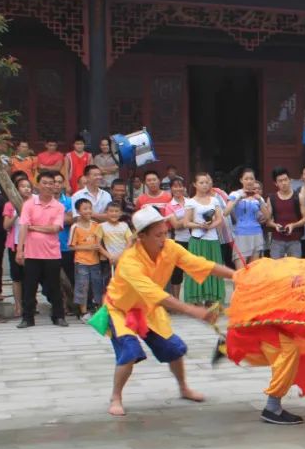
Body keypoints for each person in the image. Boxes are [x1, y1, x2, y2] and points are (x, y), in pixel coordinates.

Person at [104, 207, 235, 417]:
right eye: (158, 235)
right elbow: (157, 294)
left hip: (148, 310)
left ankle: (183, 387)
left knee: (174, 349)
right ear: (141, 237)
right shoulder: (129, 262)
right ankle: (116, 396)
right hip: (121, 310)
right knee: (129, 352)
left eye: (165, 233)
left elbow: (200, 264)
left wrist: (236, 275)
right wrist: (192, 310)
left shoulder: (170, 247)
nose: (163, 239)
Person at [16, 170, 67, 328]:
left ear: (55, 186)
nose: (48, 186)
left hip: (52, 253)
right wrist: (20, 250)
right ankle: (27, 318)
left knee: (54, 287)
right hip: (31, 252)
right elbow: (24, 226)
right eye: (44, 183)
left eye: (51, 183)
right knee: (29, 287)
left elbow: (55, 228)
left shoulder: (58, 206)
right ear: (38, 185)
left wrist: (34, 227)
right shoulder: (29, 204)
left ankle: (58, 316)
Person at [184, 173, 226, 306]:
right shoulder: (190, 202)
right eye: (201, 182)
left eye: (207, 182)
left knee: (213, 268)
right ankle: (196, 297)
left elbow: (220, 218)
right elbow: (186, 222)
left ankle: (211, 297)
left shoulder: (214, 200)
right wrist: (199, 225)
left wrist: (210, 226)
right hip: (197, 239)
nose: (204, 185)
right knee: (197, 268)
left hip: (212, 239)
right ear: (195, 184)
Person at [68, 199, 108, 319]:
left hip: (95, 261)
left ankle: (98, 310)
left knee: (97, 285)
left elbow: (101, 241)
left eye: (90, 208)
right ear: (78, 211)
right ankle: (83, 312)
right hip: (81, 262)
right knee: (82, 286)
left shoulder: (96, 225)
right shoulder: (75, 227)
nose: (88, 211)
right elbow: (71, 246)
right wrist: (88, 247)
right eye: (85, 209)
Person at [2, 174, 31, 318]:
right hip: (14, 244)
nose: (26, 189)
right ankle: (18, 305)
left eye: (28, 186)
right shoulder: (9, 204)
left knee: (30, 276)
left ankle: (30, 304)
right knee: (16, 277)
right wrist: (16, 212)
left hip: (31, 244)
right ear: (16, 189)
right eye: (23, 186)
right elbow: (6, 226)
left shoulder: (34, 203)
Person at [264, 167, 305, 260]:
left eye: (285, 180)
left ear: (290, 180)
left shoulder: (299, 197)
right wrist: (275, 225)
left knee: (295, 268)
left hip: (295, 240)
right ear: (276, 183)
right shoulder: (271, 198)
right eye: (280, 181)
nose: (284, 183)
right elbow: (267, 221)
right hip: (277, 240)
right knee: (276, 268)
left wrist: (293, 225)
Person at [228, 179, 267, 267]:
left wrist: (260, 203)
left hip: (256, 232)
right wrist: (239, 198)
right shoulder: (235, 194)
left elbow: (267, 216)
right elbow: (226, 212)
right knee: (241, 268)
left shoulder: (259, 199)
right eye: (246, 179)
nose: (256, 190)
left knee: (254, 269)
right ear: (241, 180)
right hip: (241, 233)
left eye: (258, 188)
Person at [100, 203, 134, 273]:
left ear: (121, 213)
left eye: (116, 211)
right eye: (111, 211)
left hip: (124, 258)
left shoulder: (124, 225)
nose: (114, 213)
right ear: (106, 212)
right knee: (110, 281)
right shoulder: (101, 226)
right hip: (109, 260)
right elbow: (98, 245)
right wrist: (110, 256)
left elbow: (130, 242)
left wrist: (120, 256)